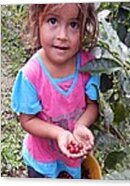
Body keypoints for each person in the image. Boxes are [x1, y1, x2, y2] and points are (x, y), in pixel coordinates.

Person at [11, 3, 100, 179]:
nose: (62, 36)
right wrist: (59, 133)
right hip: (42, 161)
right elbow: (27, 120)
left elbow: (92, 106)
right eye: (53, 21)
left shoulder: (89, 66)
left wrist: (80, 127)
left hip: (73, 158)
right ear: (38, 22)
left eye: (73, 24)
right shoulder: (31, 75)